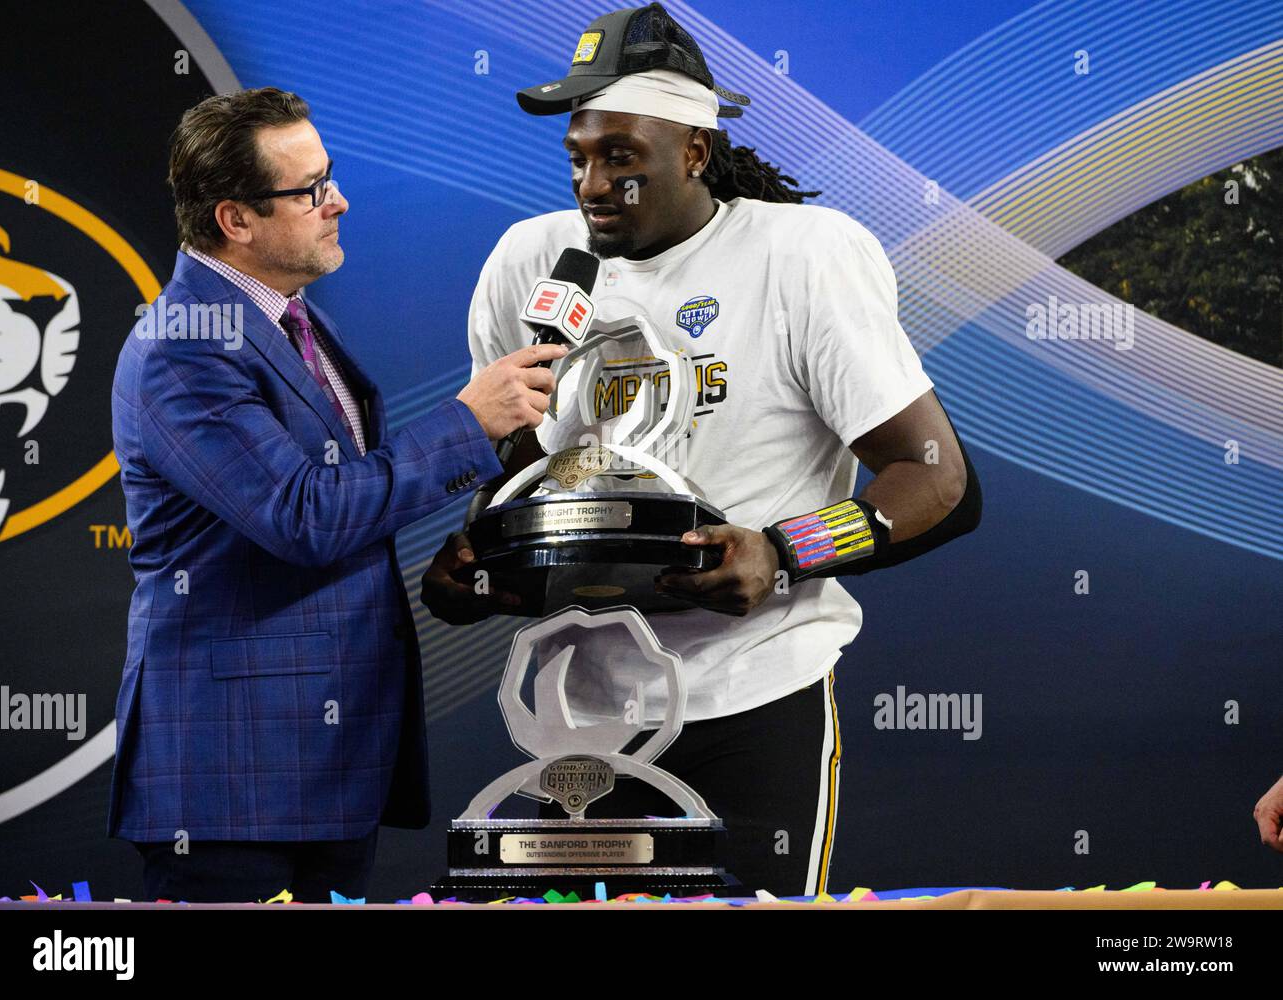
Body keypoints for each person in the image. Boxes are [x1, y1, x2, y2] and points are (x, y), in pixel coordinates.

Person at [422, 3, 982, 896]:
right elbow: (524, 470)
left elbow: (940, 480)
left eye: (622, 158)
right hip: (577, 712)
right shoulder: (530, 261)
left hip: (749, 694)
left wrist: (784, 553)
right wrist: (486, 560)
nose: (592, 185)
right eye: (579, 157)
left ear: (694, 149)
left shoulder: (802, 257)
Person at [108, 87, 564, 902]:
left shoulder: (286, 316)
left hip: (328, 770)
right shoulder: (186, 347)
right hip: (235, 786)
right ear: (234, 220)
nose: (338, 201)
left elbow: (347, 502)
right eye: (310, 189)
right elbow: (303, 516)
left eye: (332, 177)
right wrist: (466, 425)